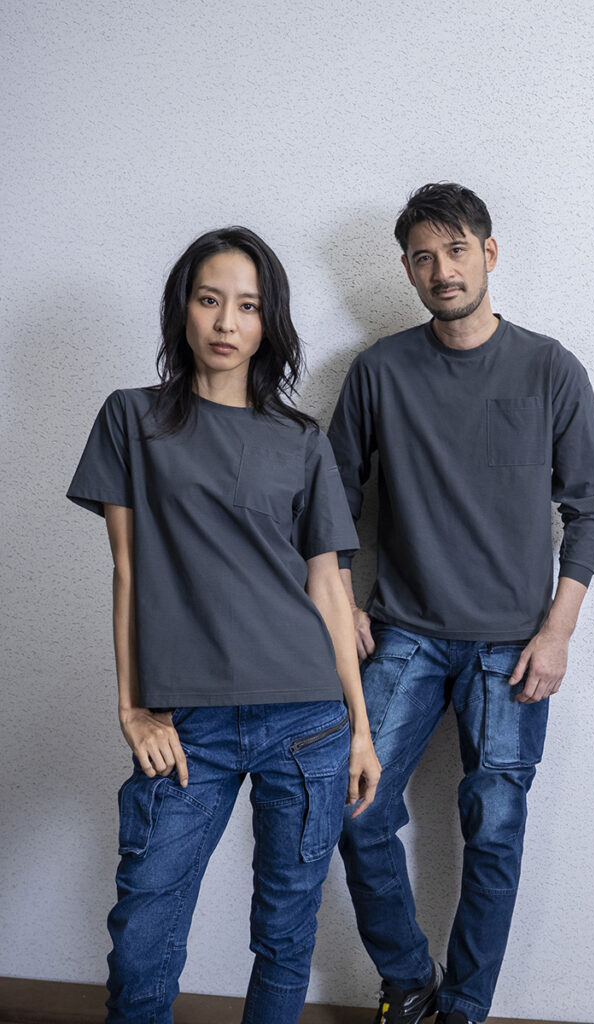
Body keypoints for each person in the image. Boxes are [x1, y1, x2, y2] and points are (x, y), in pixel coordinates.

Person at [66, 226, 381, 1024]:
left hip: (305, 718)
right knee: (144, 932)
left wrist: (360, 729)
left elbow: (327, 587)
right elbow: (128, 572)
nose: (225, 322)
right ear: (183, 308)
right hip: (187, 724)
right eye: (209, 300)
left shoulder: (301, 441)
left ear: (268, 323)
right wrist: (133, 709)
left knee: (284, 933)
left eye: (247, 306)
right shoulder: (131, 419)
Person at [328, 183, 594, 1024]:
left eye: (455, 251)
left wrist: (556, 633)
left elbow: (587, 510)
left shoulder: (550, 367)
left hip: (513, 645)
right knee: (356, 807)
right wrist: (342, 601)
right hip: (404, 633)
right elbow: (330, 497)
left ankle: (465, 1010)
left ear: (487, 253)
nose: (441, 270)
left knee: (493, 829)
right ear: (406, 269)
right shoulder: (379, 370)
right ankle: (410, 984)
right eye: (423, 257)